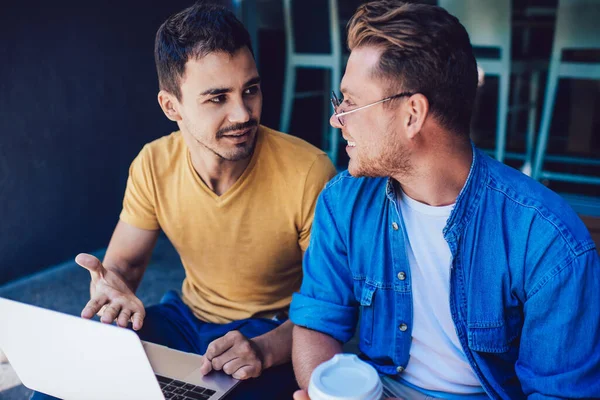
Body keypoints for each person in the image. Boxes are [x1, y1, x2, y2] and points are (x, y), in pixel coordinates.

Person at [290, 1, 600, 399]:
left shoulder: (548, 241)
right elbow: (317, 321)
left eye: (351, 102)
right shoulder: (343, 200)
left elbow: (560, 393)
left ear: (412, 114)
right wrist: (323, 388)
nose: (338, 119)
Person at [31, 3, 336, 400]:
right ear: (170, 106)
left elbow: (331, 308)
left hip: (271, 331)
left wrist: (264, 349)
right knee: (64, 383)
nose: (243, 113)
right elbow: (126, 263)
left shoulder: (309, 171)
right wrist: (116, 291)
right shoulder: (153, 164)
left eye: (251, 90)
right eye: (217, 98)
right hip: (184, 321)